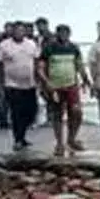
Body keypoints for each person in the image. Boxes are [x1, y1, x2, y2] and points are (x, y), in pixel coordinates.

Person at [38, 24, 91, 155]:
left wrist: (86, 80)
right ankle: (59, 143)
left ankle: (71, 139)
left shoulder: (74, 48)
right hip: (55, 87)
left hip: (71, 86)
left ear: (69, 34)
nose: (63, 35)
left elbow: (79, 65)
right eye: (61, 33)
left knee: (77, 113)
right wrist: (46, 82)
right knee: (57, 115)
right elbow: (40, 68)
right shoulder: (49, 48)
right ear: (57, 34)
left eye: (66, 33)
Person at [0, 22, 41, 150]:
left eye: (22, 30)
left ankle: (22, 136)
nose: (19, 33)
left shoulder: (31, 44)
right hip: (12, 85)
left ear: (25, 32)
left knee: (31, 111)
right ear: (12, 32)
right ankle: (18, 139)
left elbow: (36, 62)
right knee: (16, 113)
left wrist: (39, 81)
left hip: (29, 84)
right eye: (16, 30)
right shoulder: (3, 46)